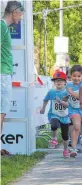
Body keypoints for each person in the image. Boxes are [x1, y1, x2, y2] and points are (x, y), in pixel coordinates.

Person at [1, 1, 24, 136]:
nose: (21, 17)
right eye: (21, 13)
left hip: (4, 74)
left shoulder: (3, 27)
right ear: (15, 12)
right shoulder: (1, 26)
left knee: (1, 114)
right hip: (2, 75)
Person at [40, 71, 70, 157]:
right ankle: (54, 138)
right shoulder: (51, 92)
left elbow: (68, 105)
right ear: (54, 82)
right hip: (54, 114)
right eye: (56, 81)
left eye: (61, 80)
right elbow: (45, 99)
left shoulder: (67, 93)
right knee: (54, 124)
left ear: (65, 82)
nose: (59, 82)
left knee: (65, 135)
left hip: (65, 116)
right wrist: (43, 108)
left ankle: (65, 150)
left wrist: (60, 102)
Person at [66, 65, 82, 158]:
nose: (76, 78)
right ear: (71, 76)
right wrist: (65, 97)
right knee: (76, 127)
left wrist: (71, 92)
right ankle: (73, 149)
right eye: (74, 76)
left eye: (78, 76)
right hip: (74, 109)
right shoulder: (68, 85)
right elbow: (66, 95)